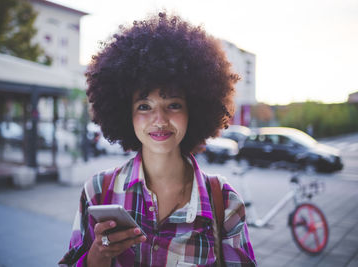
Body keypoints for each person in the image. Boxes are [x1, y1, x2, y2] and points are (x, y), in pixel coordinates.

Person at [59, 12, 256, 267]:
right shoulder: (98, 191)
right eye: (144, 106)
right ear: (125, 113)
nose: (160, 119)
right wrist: (96, 257)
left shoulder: (225, 202)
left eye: (173, 104)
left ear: (193, 110)